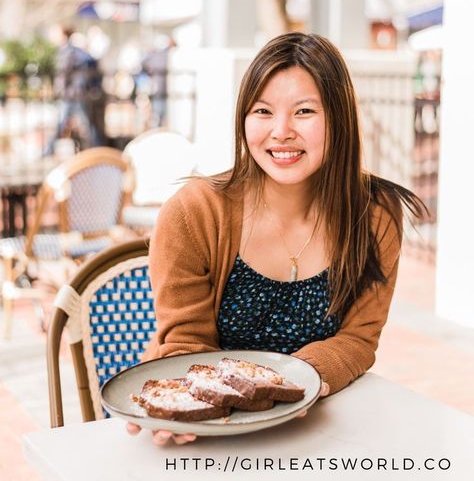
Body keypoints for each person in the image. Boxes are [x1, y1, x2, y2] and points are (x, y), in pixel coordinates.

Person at [127, 32, 425, 446]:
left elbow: (358, 339)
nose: (280, 131)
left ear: (338, 118)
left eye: (304, 111)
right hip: (217, 435)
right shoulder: (192, 212)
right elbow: (185, 342)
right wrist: (185, 404)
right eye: (263, 111)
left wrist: (296, 385)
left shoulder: (375, 216)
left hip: (322, 431)